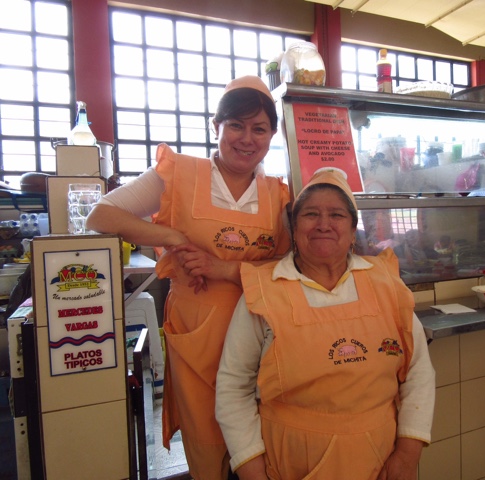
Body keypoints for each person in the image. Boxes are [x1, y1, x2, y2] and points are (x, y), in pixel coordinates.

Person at [86, 75, 291, 480]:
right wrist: (171, 237)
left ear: (272, 135)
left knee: (262, 440)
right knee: (207, 437)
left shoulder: (279, 195)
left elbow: (288, 267)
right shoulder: (178, 174)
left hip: (260, 334)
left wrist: (225, 269)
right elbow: (101, 215)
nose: (247, 138)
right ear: (216, 127)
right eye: (236, 125)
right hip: (199, 332)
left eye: (259, 128)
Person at [216, 168, 436, 480]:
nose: (323, 224)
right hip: (291, 463)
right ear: (294, 228)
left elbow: (418, 371)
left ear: (353, 229)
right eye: (311, 214)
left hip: (381, 461)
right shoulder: (264, 291)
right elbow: (233, 386)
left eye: (336, 215)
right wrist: (251, 469)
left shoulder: (386, 284)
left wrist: (408, 453)